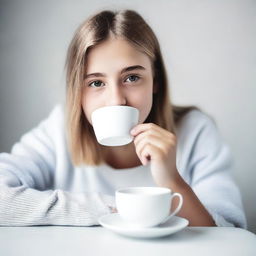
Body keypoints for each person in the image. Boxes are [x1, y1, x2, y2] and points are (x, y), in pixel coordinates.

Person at [0, 9, 246, 228]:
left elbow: (230, 233)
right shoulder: (58, 130)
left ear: (155, 80)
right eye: (96, 83)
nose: (116, 100)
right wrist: (112, 209)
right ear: (78, 91)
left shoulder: (195, 130)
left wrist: (172, 179)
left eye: (131, 78)